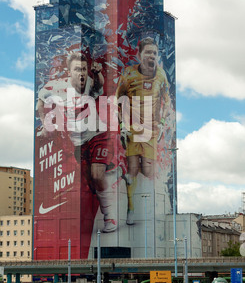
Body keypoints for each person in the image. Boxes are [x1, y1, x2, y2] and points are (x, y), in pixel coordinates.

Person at [37, 52, 120, 233]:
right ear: (69, 72)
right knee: (88, 181)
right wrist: (45, 125)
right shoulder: (55, 87)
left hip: (98, 135)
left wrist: (98, 74)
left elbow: (99, 85)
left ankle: (111, 216)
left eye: (84, 69)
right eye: (77, 70)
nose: (81, 73)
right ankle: (110, 175)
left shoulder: (90, 83)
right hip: (77, 143)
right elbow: (40, 102)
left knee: (97, 175)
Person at [116, 37, 170, 225]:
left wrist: (162, 121)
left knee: (148, 171)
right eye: (148, 52)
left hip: (151, 130)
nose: (152, 56)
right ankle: (131, 209)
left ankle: (152, 206)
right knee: (132, 169)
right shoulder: (129, 74)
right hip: (132, 127)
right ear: (139, 55)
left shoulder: (161, 75)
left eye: (154, 53)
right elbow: (120, 99)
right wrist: (122, 126)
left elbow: (166, 99)